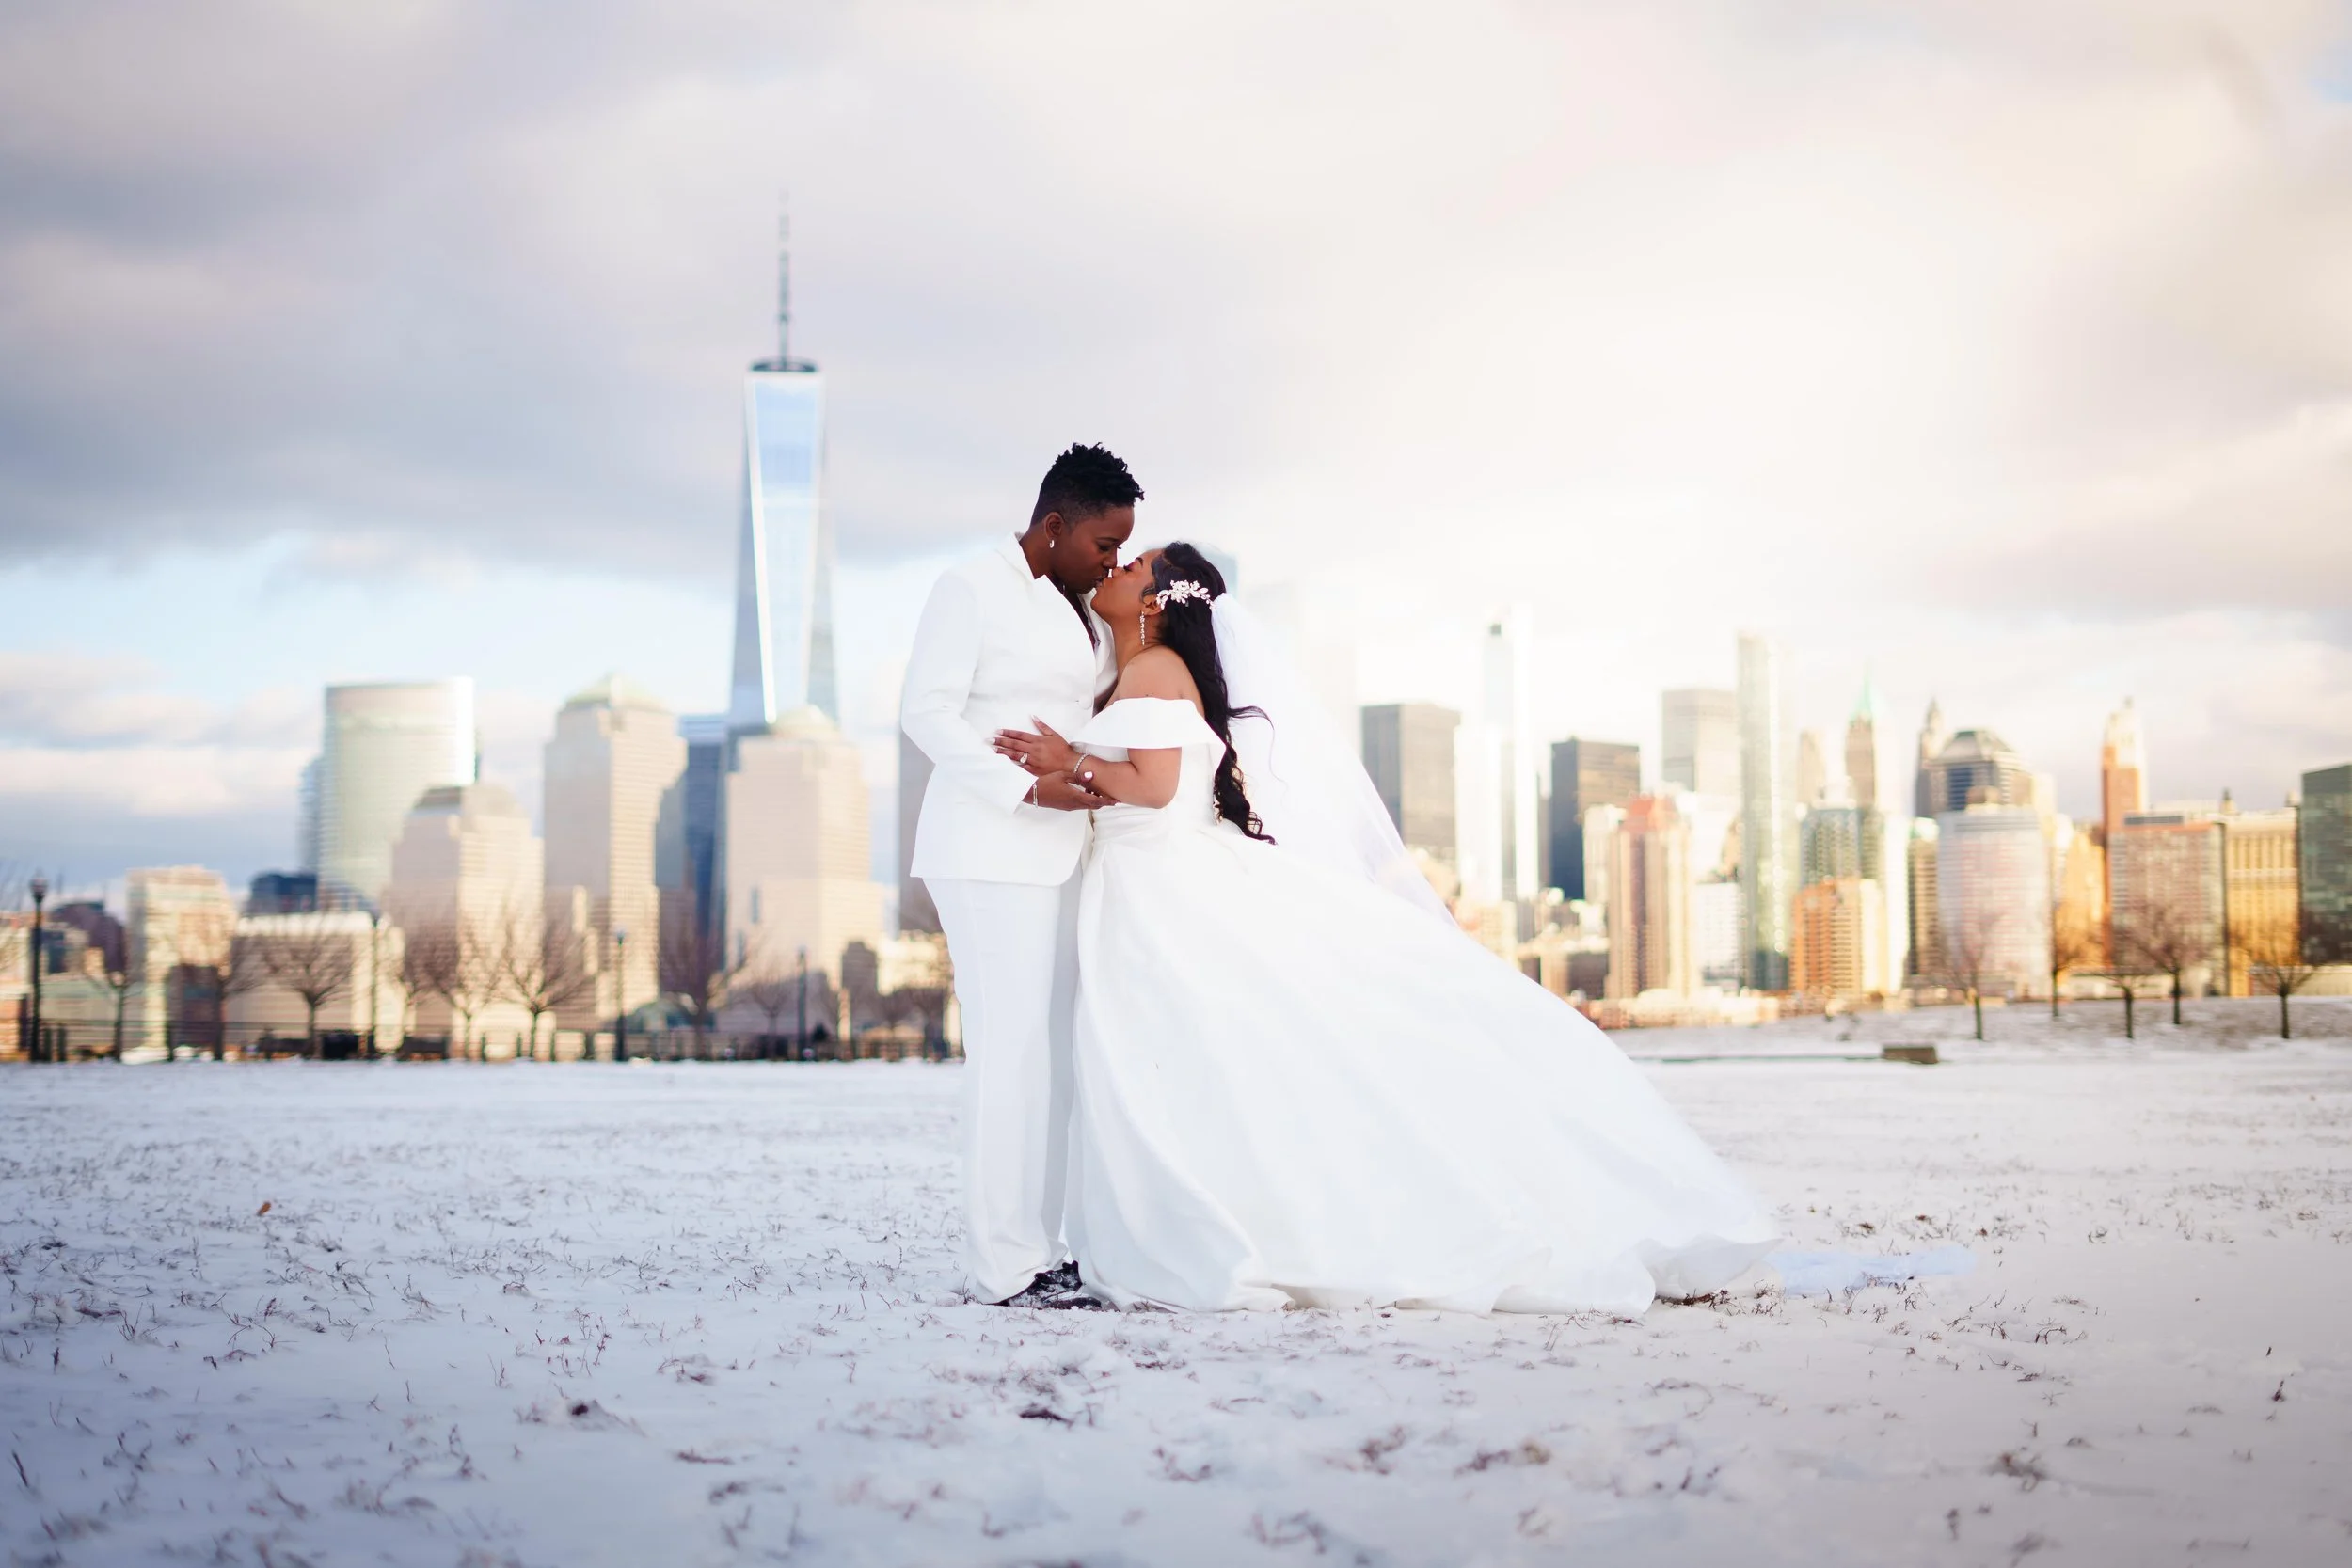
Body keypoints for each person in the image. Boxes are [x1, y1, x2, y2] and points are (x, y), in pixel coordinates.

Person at [993, 544, 1778, 1313]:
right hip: (1147, 883)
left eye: (1137, 566)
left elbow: (1156, 788)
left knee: (1168, 1058)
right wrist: (1044, 780)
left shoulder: (1152, 671)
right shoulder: (1134, 671)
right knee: (1191, 1062)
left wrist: (1072, 760)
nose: (1118, 568)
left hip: (1162, 889)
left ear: (1162, 603)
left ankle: (1200, 1231)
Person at [899, 443, 1137, 1307]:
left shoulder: (1082, 610)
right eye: (1103, 546)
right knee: (1010, 1055)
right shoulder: (969, 587)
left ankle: (1043, 1246)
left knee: (1055, 1059)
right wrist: (1024, 784)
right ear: (1053, 525)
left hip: (1066, 852)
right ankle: (1007, 1267)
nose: (1110, 563)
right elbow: (922, 708)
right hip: (988, 848)